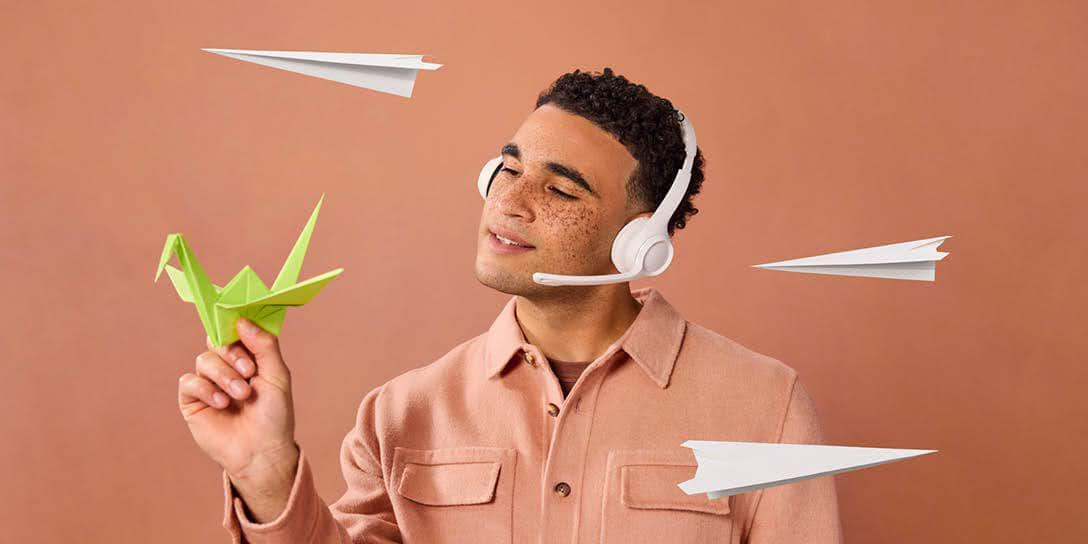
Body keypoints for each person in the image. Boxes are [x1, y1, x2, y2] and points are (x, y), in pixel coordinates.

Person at [177, 67, 844, 543]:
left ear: (639, 243)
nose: (509, 202)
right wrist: (266, 473)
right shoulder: (399, 413)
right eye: (508, 167)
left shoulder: (766, 409)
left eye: (560, 189)